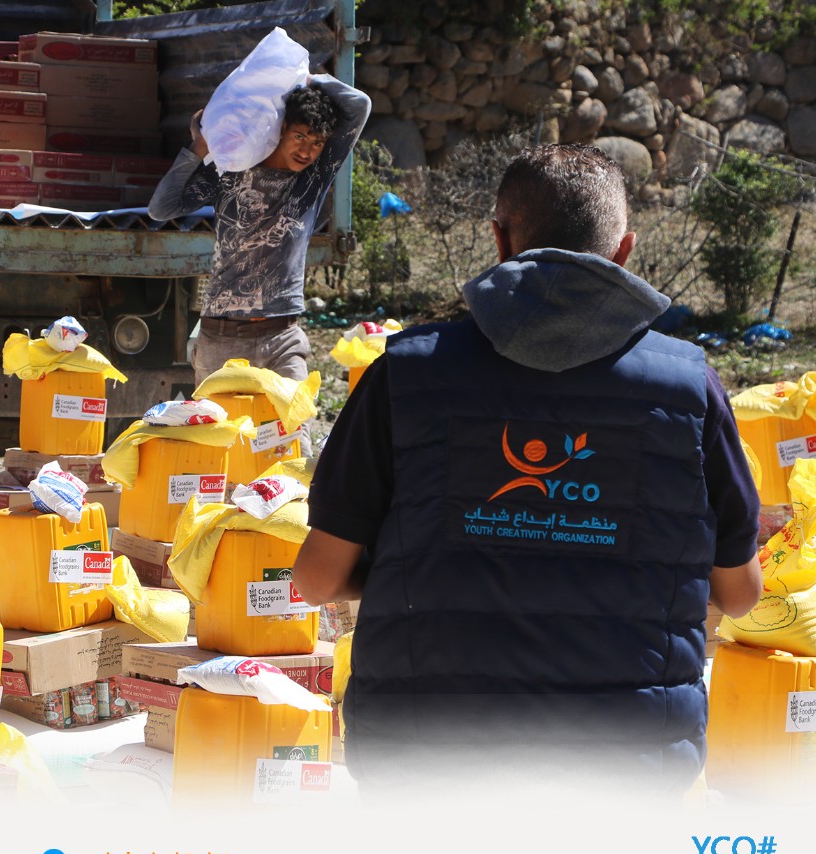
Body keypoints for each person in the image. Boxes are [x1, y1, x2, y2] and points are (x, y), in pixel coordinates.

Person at [293, 143, 762, 801]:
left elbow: (317, 580)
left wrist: (419, 565)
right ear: (624, 251)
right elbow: (739, 594)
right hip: (625, 770)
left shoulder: (405, 374)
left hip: (426, 765)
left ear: (500, 240)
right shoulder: (689, 390)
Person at [148, 75, 370, 385]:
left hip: (282, 337)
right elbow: (161, 209)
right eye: (300, 136)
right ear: (281, 128)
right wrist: (199, 147)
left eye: (317, 142)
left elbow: (360, 105)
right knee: (219, 420)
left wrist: (304, 79)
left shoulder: (314, 178)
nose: (306, 150)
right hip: (221, 338)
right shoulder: (231, 170)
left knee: (296, 417)